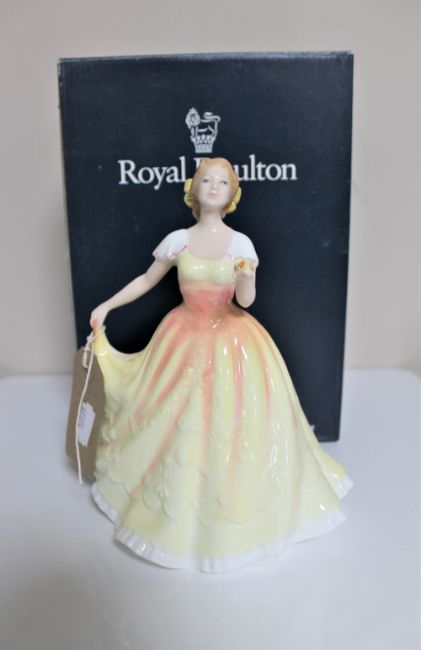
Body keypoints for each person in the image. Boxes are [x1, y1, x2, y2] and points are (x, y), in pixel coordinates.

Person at [89, 157, 352, 572]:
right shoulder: (178, 240)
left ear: (232, 193)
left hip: (232, 341)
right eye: (207, 179)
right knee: (173, 414)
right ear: (194, 188)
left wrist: (245, 276)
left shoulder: (240, 244)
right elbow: (147, 279)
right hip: (183, 336)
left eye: (223, 182)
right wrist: (107, 306)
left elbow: (246, 300)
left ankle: (226, 512)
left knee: (232, 421)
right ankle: (172, 508)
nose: (214, 186)